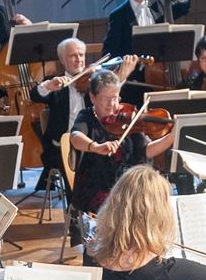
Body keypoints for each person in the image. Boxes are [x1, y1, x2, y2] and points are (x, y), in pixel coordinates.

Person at [31, 38, 139, 192]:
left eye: (81, 55)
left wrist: (122, 76)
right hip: (63, 146)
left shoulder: (95, 82)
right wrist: (49, 85)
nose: (79, 60)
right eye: (73, 56)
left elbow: (110, 98)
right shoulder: (56, 83)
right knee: (84, 164)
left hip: (95, 139)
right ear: (62, 60)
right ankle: (76, 209)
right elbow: (35, 95)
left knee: (122, 155)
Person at [68, 70, 174, 214]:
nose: (113, 105)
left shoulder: (127, 118)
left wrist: (171, 137)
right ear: (92, 97)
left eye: (116, 98)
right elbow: (75, 137)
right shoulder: (86, 117)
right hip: (97, 188)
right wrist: (95, 147)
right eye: (107, 99)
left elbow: (146, 150)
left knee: (156, 202)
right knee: (127, 210)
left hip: (130, 187)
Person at [101, 0, 190, 59]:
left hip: (160, 62)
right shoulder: (118, 15)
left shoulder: (155, 1)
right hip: (136, 68)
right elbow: (110, 49)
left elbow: (181, 10)